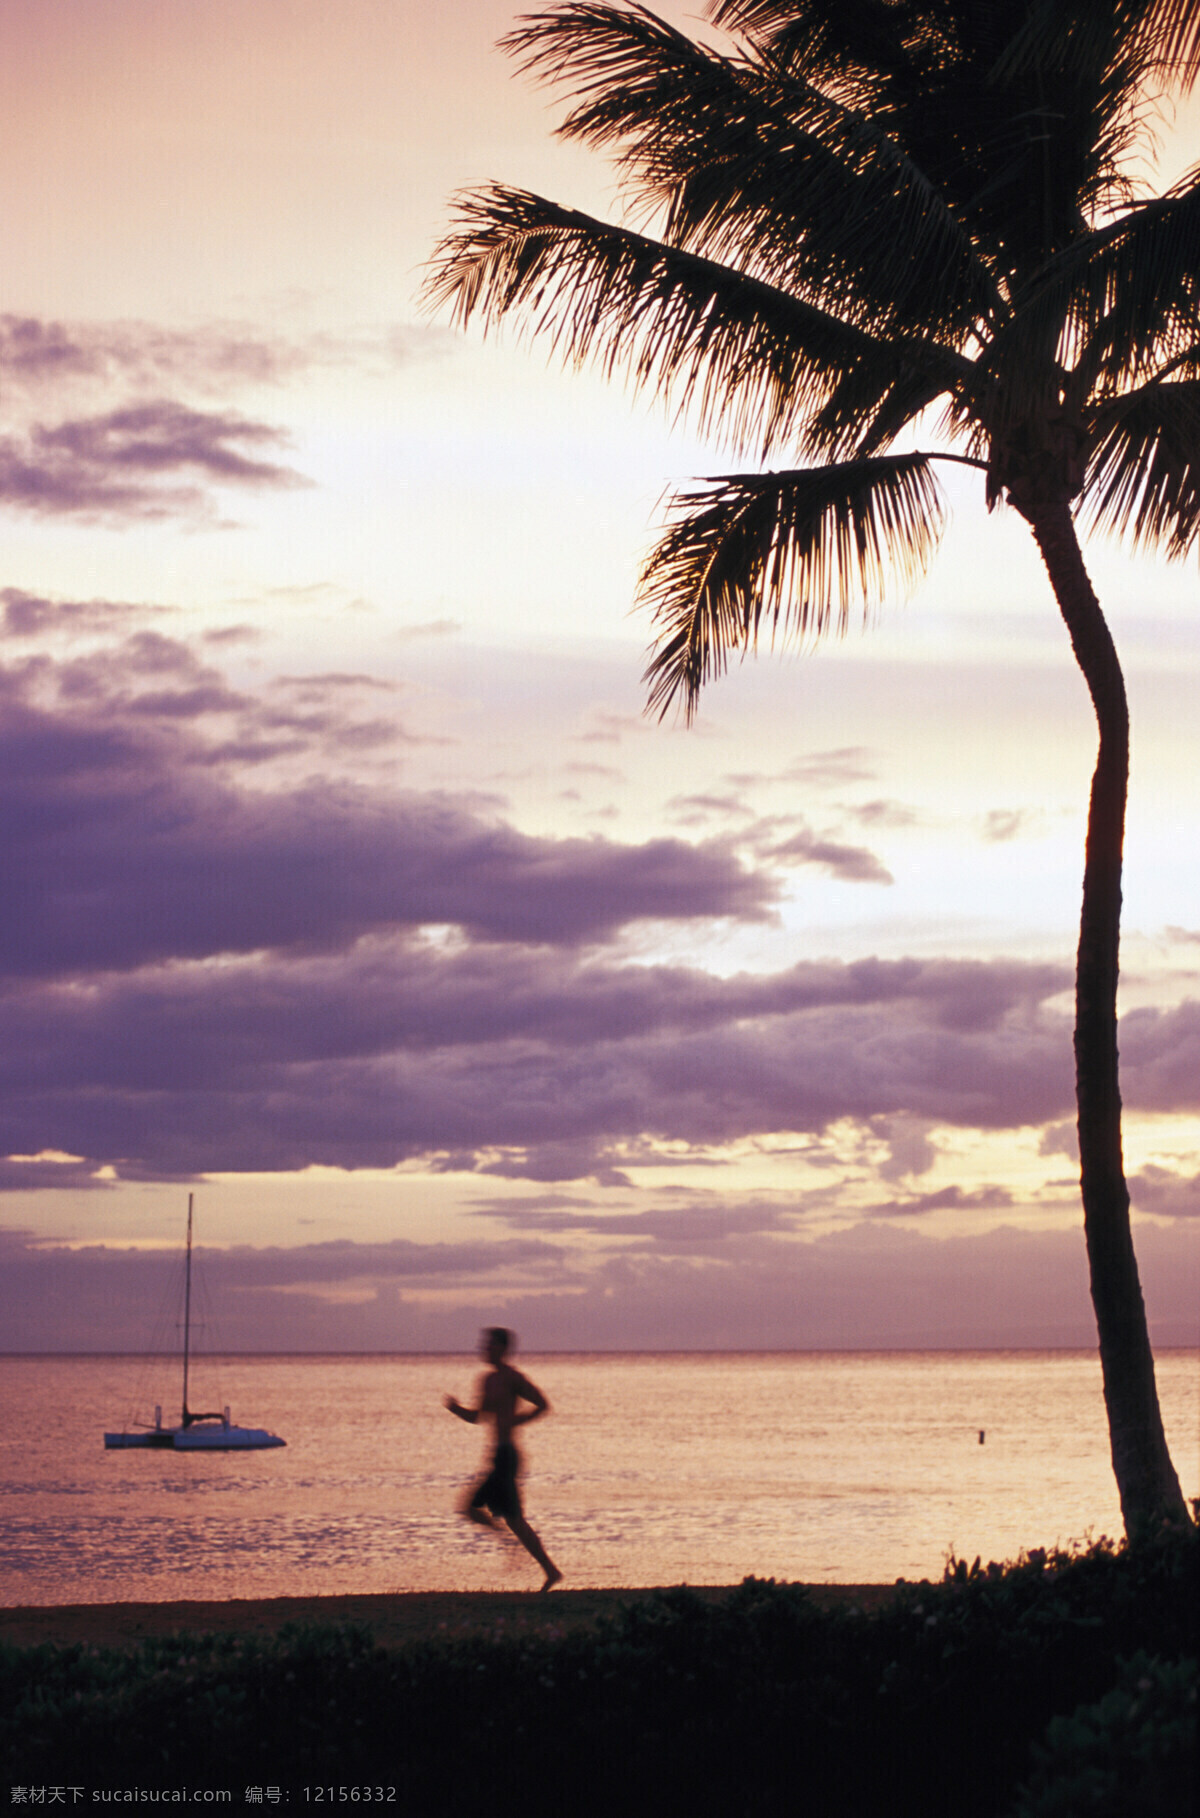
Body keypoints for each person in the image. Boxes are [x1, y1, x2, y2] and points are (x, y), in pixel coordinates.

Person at [444, 1327, 562, 1590]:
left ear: (502, 1348)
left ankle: (538, 1563)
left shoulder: (513, 1378)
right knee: (493, 1514)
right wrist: (455, 1409)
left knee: (495, 1514)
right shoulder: (487, 1380)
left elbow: (543, 1405)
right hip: (497, 1455)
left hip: (508, 1455)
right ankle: (547, 1568)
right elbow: (477, 1417)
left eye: (490, 1344)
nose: (484, 1349)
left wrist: (518, 1420)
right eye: (484, 1344)